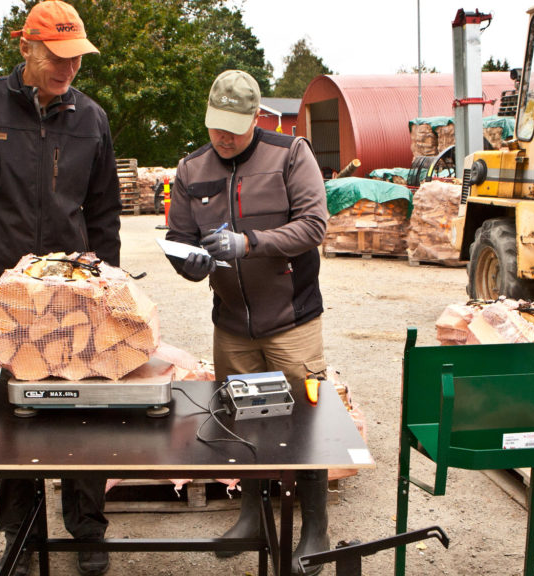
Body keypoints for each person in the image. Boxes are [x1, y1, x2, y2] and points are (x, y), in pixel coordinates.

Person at [0, 1, 120, 575]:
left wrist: (105, 286)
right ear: (27, 49)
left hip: (71, 294)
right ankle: (20, 527)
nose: (69, 69)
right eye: (58, 57)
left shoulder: (92, 118)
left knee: (84, 406)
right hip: (0, 294)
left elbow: (105, 212)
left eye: (77, 58)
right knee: (12, 413)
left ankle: (87, 529)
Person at [165, 69, 331, 576]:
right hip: (232, 324)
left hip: (292, 319)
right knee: (243, 422)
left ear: (255, 117)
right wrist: (189, 262)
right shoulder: (192, 170)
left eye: (234, 128)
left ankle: (315, 528)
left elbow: (314, 225)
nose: (224, 137)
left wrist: (251, 243)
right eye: (217, 126)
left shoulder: (290, 154)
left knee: (307, 424)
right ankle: (251, 517)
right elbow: (179, 238)